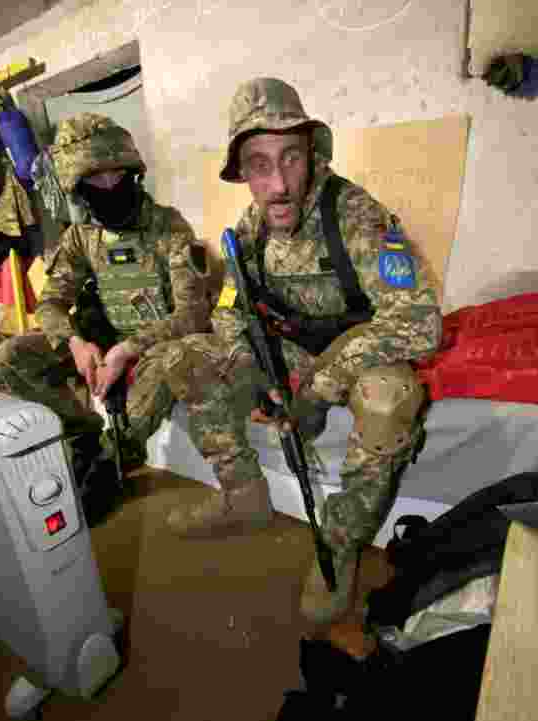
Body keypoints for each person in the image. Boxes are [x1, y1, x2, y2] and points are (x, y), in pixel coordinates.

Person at [129, 78, 442, 625]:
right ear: (242, 172)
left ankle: (339, 543)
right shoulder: (248, 231)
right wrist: (248, 368)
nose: (277, 185)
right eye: (258, 165)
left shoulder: (357, 217)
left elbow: (418, 324)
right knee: (186, 356)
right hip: (291, 352)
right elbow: (229, 310)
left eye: (290, 158)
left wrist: (318, 393)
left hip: (360, 355)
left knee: (391, 399)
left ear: (311, 153)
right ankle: (243, 493)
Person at [0, 113, 210, 517]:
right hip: (103, 341)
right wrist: (74, 342)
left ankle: (113, 460)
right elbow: (50, 303)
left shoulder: (168, 226)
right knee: (11, 355)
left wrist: (129, 348)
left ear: (134, 174)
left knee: (171, 359)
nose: (110, 187)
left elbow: (193, 314)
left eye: (118, 175)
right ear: (79, 189)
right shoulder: (81, 237)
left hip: (156, 346)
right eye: (96, 179)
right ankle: (81, 435)